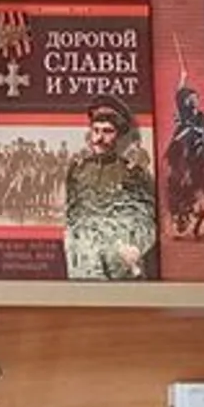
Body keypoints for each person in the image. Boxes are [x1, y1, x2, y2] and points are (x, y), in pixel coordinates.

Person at [64, 96, 158, 278]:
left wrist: (136, 247)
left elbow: (147, 220)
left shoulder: (133, 173)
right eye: (96, 130)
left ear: (119, 135)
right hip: (84, 266)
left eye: (107, 131)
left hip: (120, 267)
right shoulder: (77, 169)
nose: (99, 138)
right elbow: (71, 216)